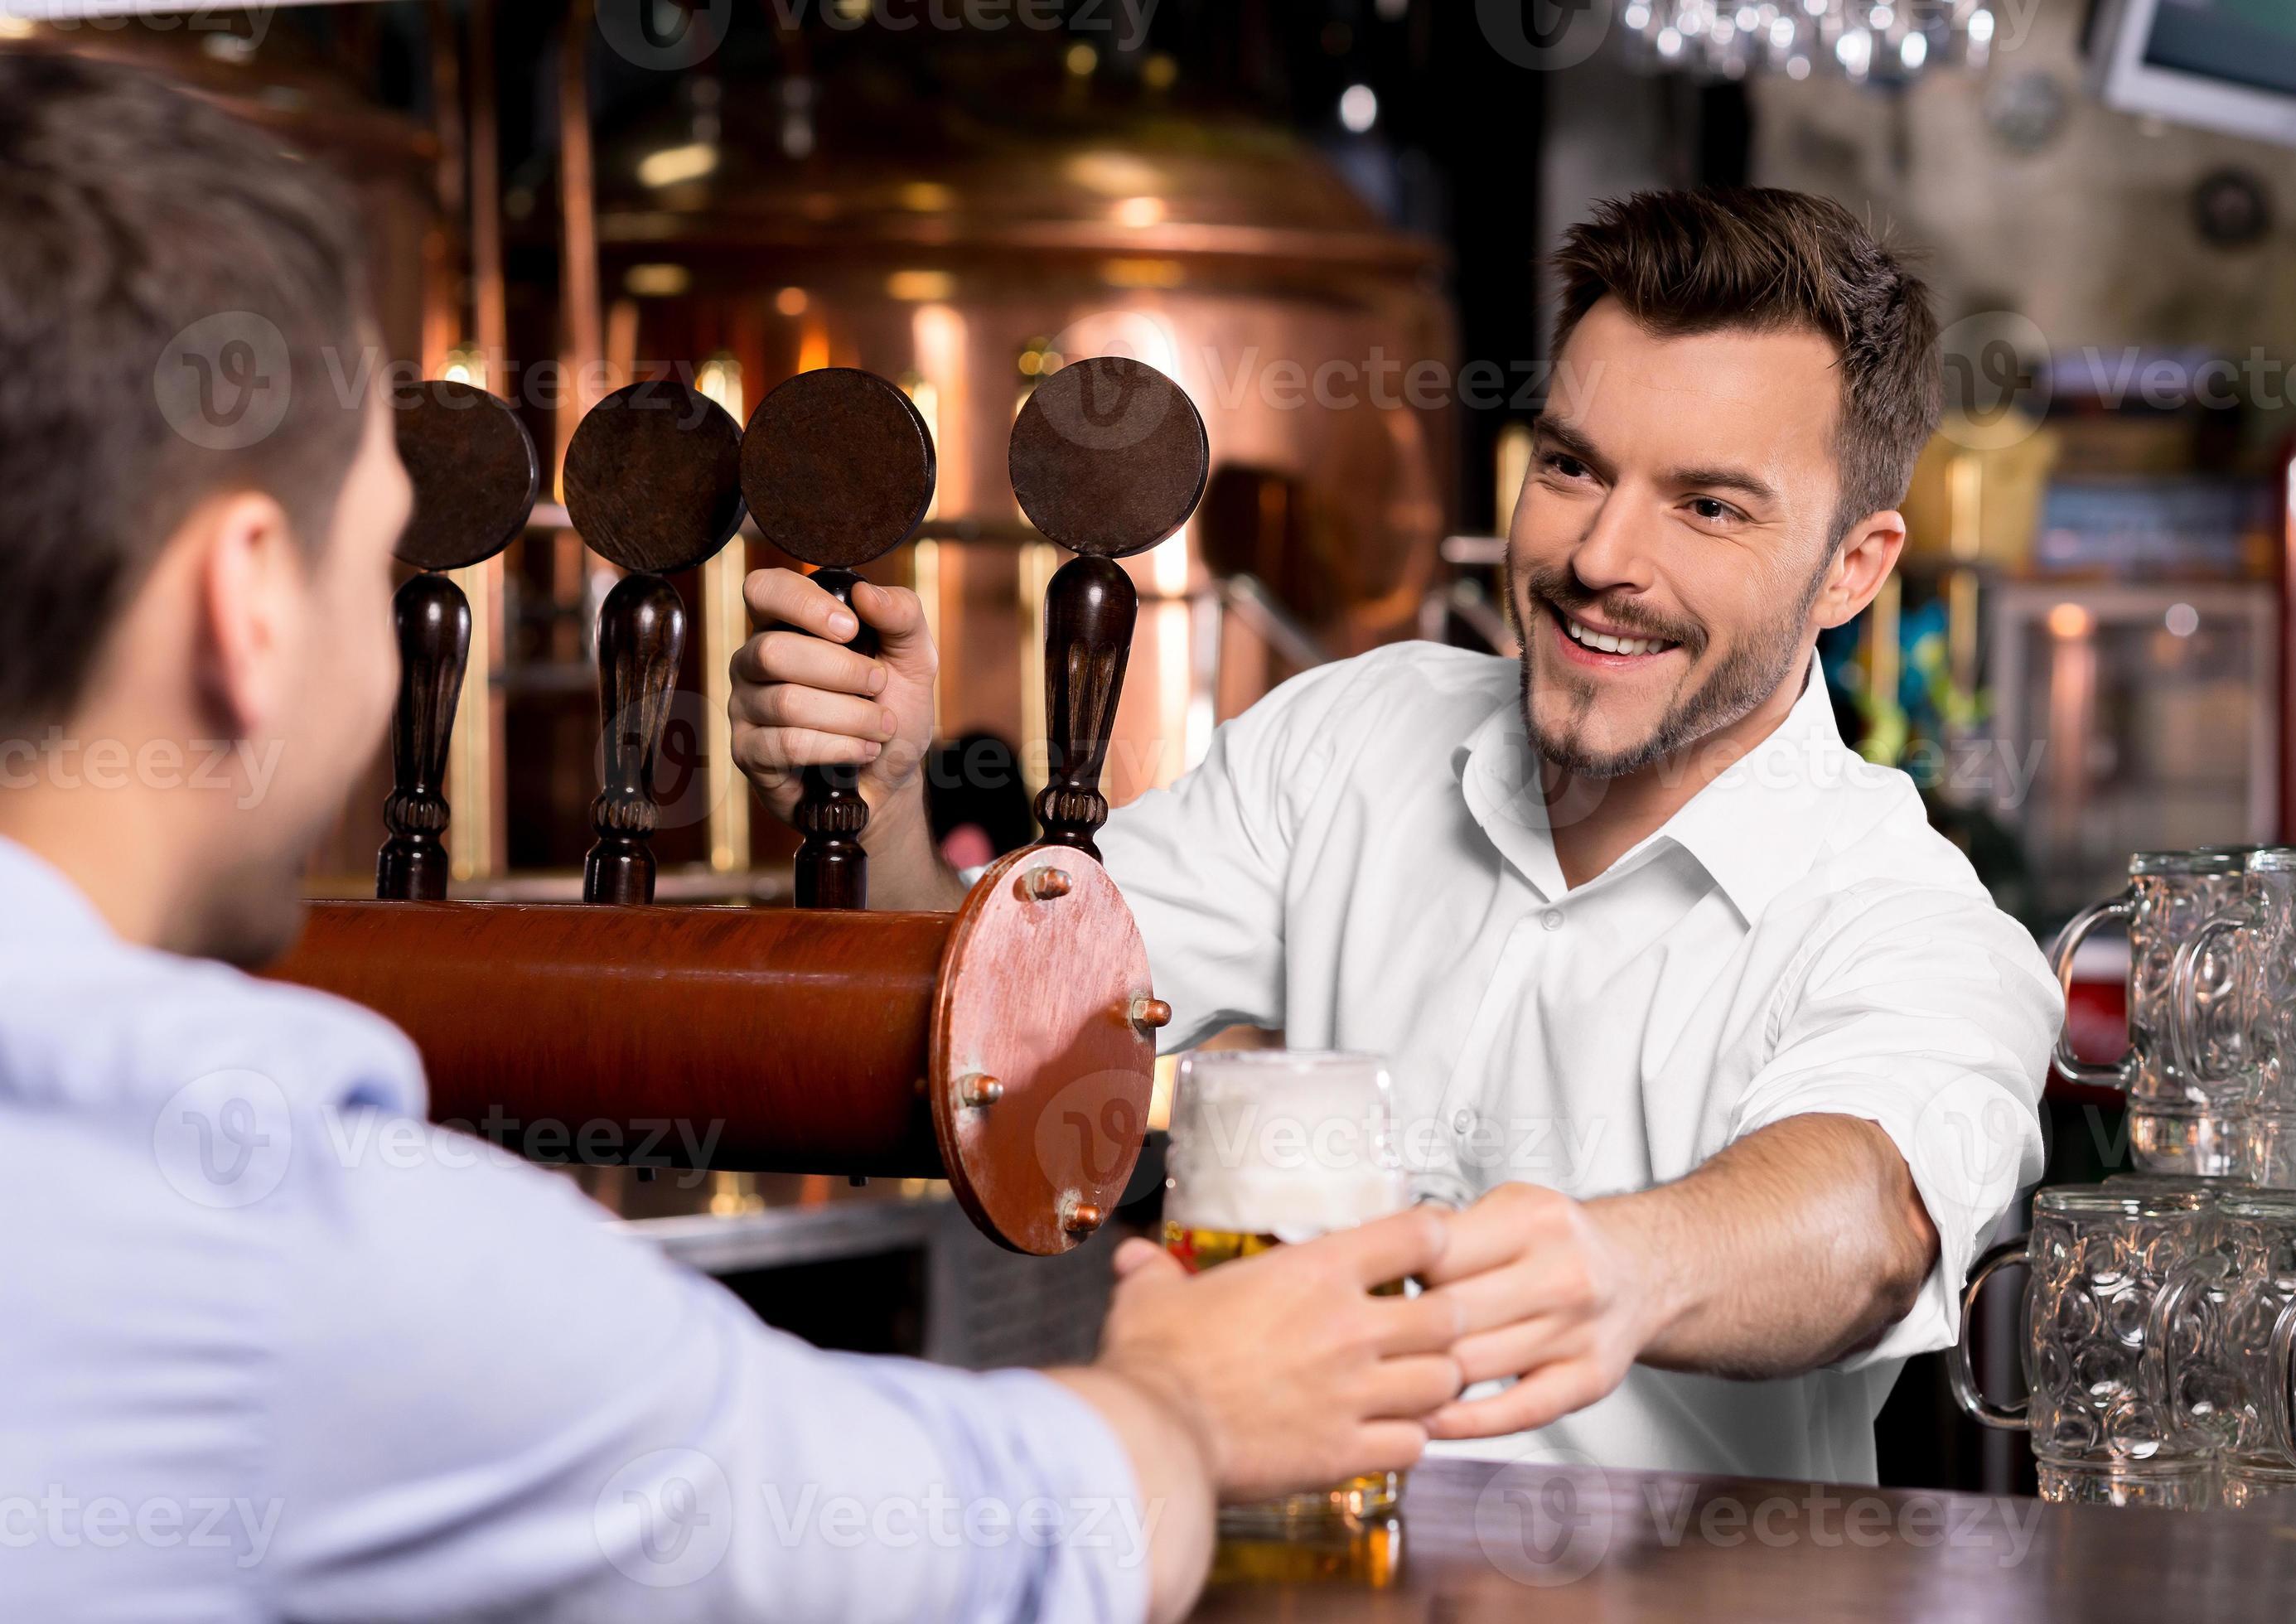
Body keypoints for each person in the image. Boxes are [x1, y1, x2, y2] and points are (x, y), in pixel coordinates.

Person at [0, 51, 1465, 1622]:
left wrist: (888, 814)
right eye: (371, 560)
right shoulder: (324, 1271)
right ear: (247, 605)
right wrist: (1183, 1403)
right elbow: (962, 1540)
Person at [732, 188, 2063, 1485]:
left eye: (1707, 506)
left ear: (1852, 567)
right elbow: (1009, 1040)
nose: (1602, 554)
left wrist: (1624, 1268)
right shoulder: (1355, 737)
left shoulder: (1913, 922)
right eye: (1571, 466)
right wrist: (884, 804)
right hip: (1275, 1581)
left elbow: (1868, 1219)